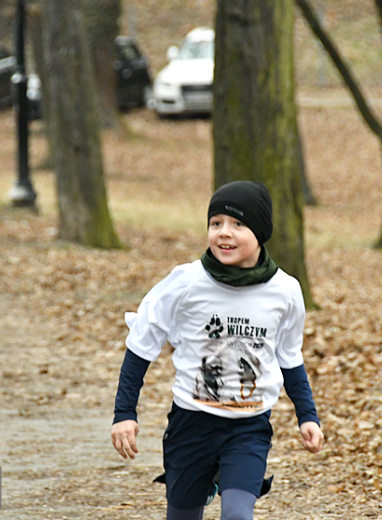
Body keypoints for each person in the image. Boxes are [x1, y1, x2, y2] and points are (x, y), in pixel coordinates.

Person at [111, 181, 324, 520]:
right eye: (216, 223)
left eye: (238, 224)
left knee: (238, 516)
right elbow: (141, 345)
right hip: (191, 424)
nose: (225, 233)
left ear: (261, 231)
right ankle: (205, 480)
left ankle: (228, 475)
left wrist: (307, 415)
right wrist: (124, 414)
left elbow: (289, 356)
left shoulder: (285, 291)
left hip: (248, 426)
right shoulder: (186, 282)